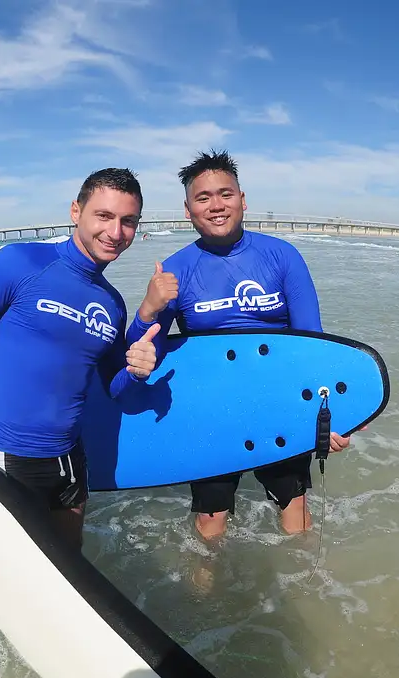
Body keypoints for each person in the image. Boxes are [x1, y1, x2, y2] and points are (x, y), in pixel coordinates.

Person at [0, 168, 162, 551]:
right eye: (103, 216)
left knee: (71, 566)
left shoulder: (112, 303)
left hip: (70, 459)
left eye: (128, 221)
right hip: (6, 457)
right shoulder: (19, 263)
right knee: (11, 570)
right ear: (76, 211)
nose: (116, 232)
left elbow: (112, 386)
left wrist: (134, 372)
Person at [124, 149, 352, 541]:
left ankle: (304, 589)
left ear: (243, 200)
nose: (216, 206)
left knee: (294, 509)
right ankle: (205, 597)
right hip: (213, 409)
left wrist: (330, 417)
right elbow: (144, 351)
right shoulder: (175, 269)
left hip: (280, 402)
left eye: (225, 194)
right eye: (203, 197)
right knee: (210, 523)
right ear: (187, 209)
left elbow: (314, 346)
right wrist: (148, 308)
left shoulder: (282, 257)